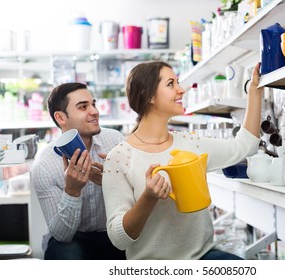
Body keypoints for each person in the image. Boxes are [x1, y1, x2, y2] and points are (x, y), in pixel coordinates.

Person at [102, 61, 263, 260]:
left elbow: (244, 147)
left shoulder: (190, 143)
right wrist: (148, 198)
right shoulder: (119, 158)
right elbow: (119, 239)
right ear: (148, 95)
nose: (181, 90)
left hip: (203, 257)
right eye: (171, 84)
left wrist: (255, 91)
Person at [31, 82, 126, 260]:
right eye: (83, 107)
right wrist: (72, 191)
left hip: (112, 230)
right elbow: (62, 235)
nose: (95, 111)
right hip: (73, 238)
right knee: (63, 251)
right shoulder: (44, 166)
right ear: (61, 118)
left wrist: (114, 180)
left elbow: (134, 197)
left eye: (94, 104)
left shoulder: (115, 140)